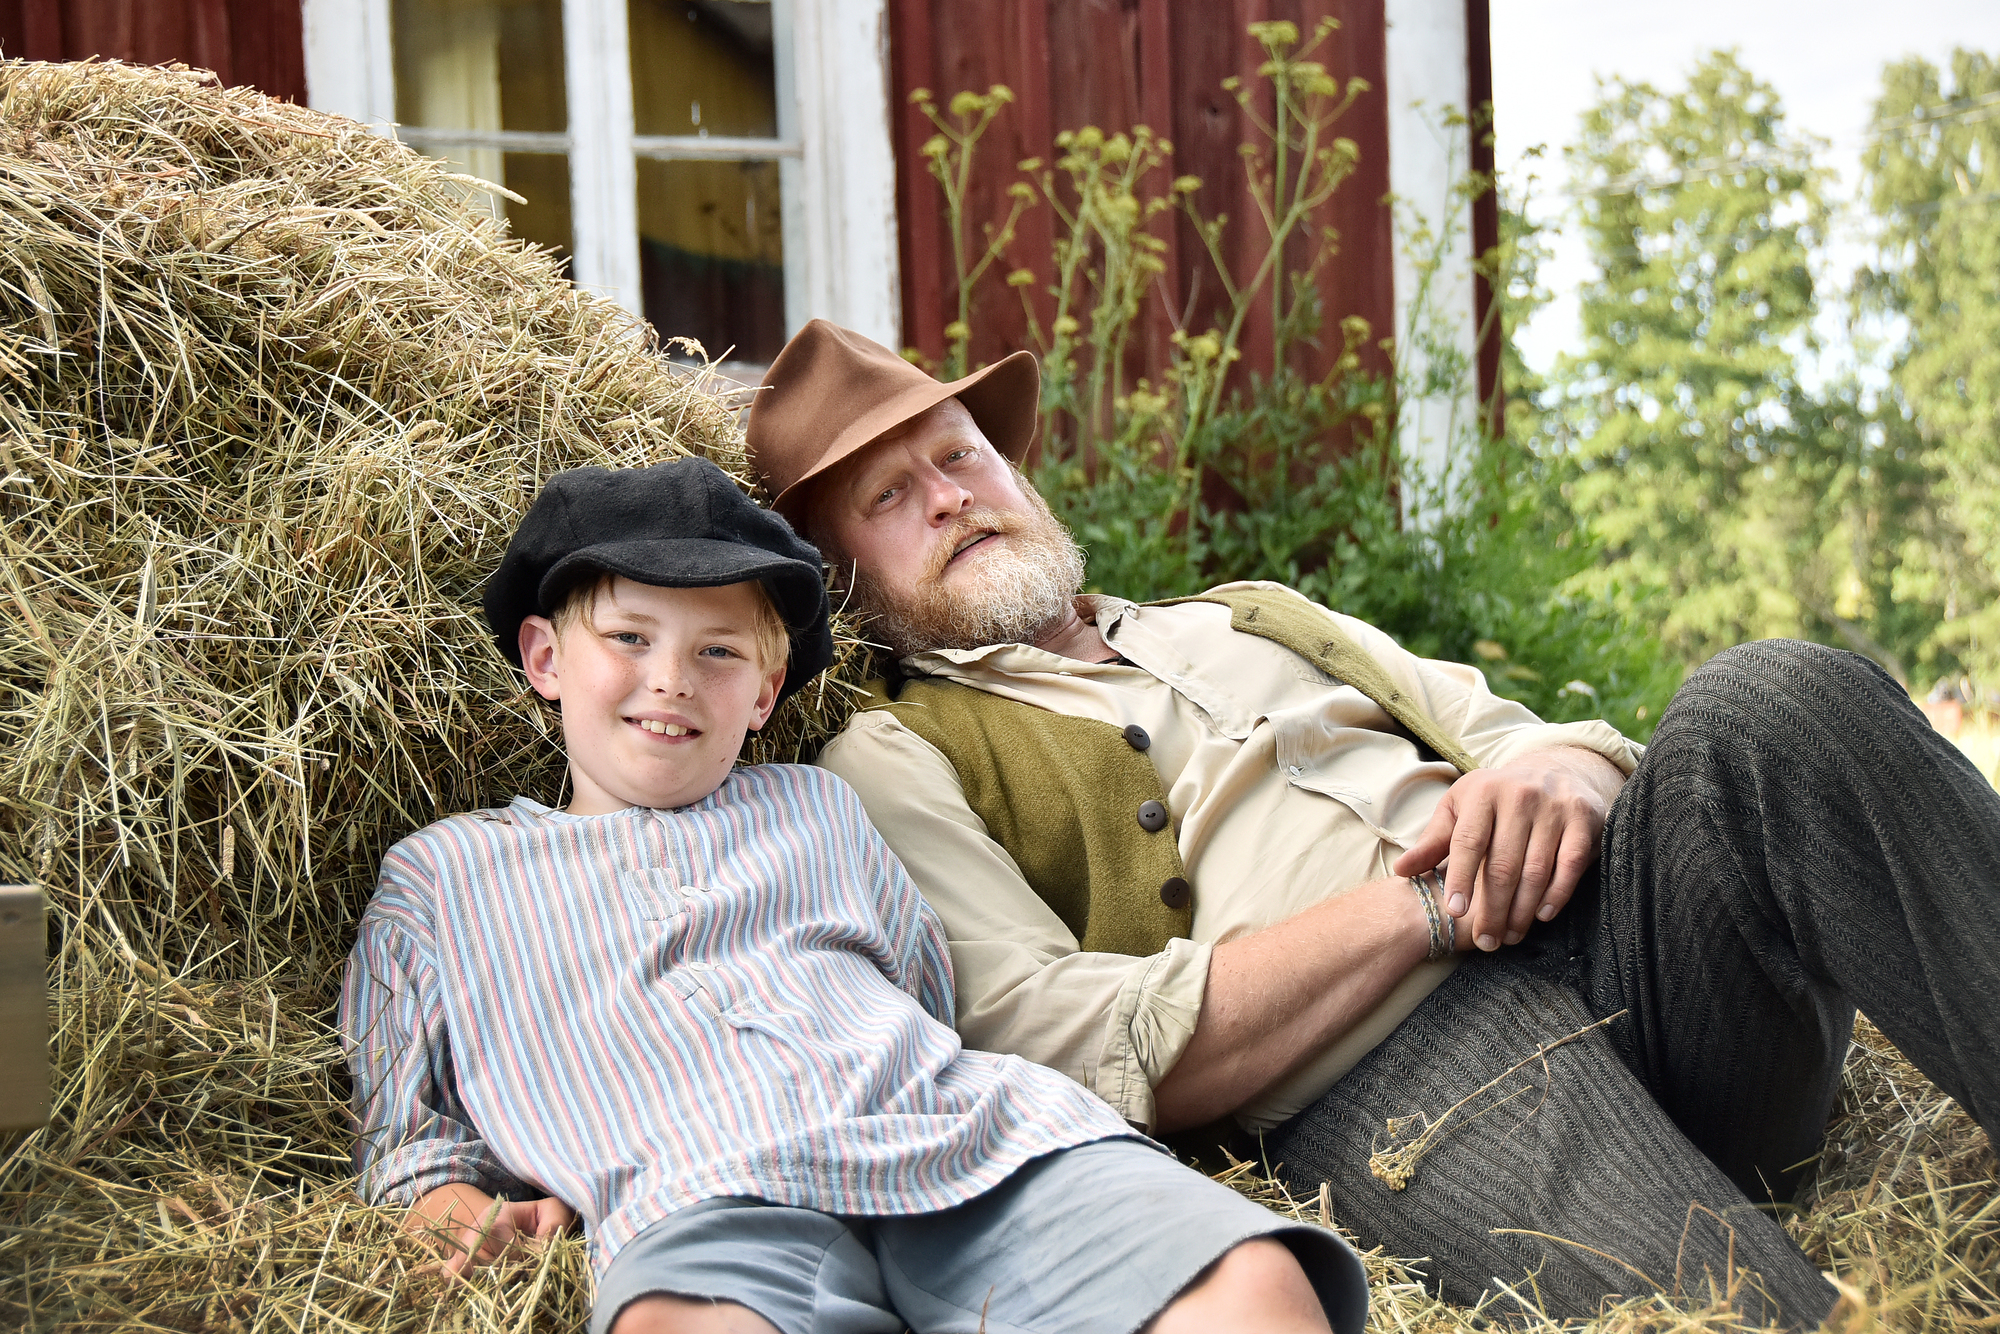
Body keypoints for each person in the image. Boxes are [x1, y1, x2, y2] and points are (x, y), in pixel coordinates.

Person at [744, 320, 2000, 1328]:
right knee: (1754, 1308)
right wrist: (1417, 909)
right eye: (889, 496)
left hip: (1629, 947)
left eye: (960, 455)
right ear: (839, 579)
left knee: (1768, 696)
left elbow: (1510, 724)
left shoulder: (1245, 611)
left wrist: (1559, 770)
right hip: (1397, 1067)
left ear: (1014, 469)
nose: (951, 498)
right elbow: (1048, 1038)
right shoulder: (893, 749)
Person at [338, 456, 1367, 1334]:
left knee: (1250, 1281)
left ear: (764, 692)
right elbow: (406, 1117)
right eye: (629, 638)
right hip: (704, 1191)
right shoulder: (445, 875)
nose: (672, 679)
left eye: (718, 651)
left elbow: (920, 988)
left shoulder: (818, 807)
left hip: (960, 1141)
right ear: (545, 658)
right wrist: (445, 1194)